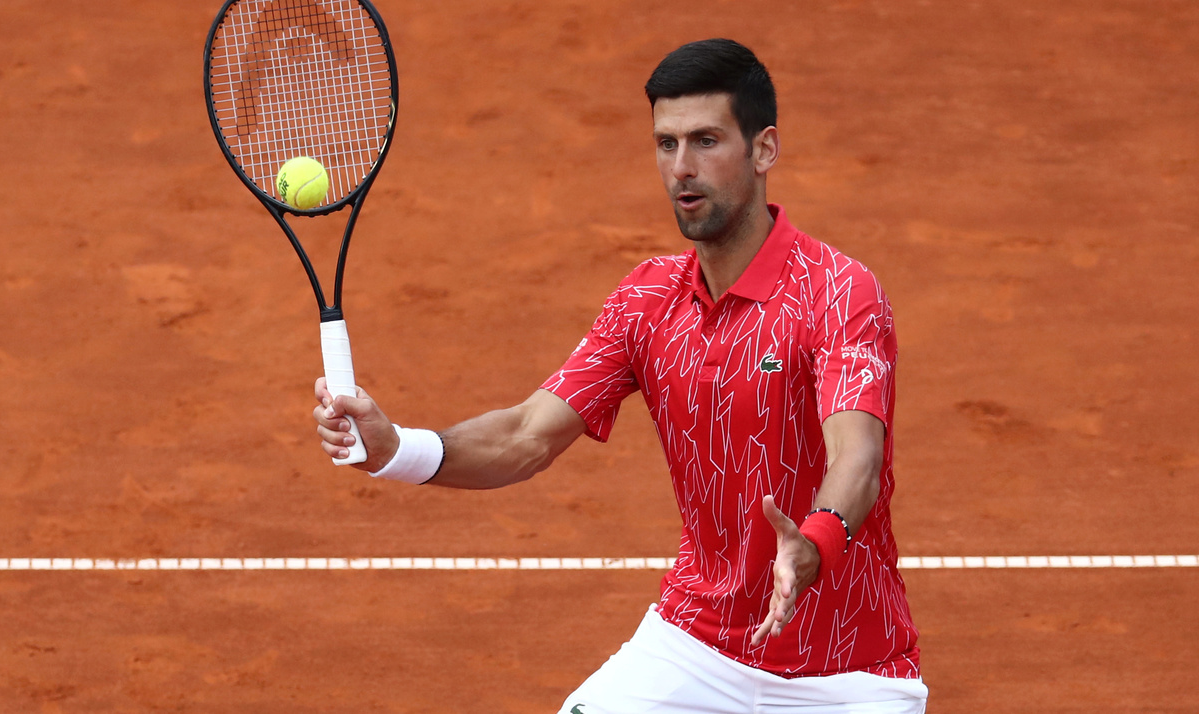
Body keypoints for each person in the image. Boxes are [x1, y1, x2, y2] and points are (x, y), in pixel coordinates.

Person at [312, 38, 927, 713]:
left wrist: (813, 543)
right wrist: (396, 448)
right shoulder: (646, 300)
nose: (682, 167)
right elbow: (525, 435)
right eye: (666, 144)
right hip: (695, 648)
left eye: (706, 141)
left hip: (849, 675)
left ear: (764, 149)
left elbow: (857, 457)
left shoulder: (839, 293)